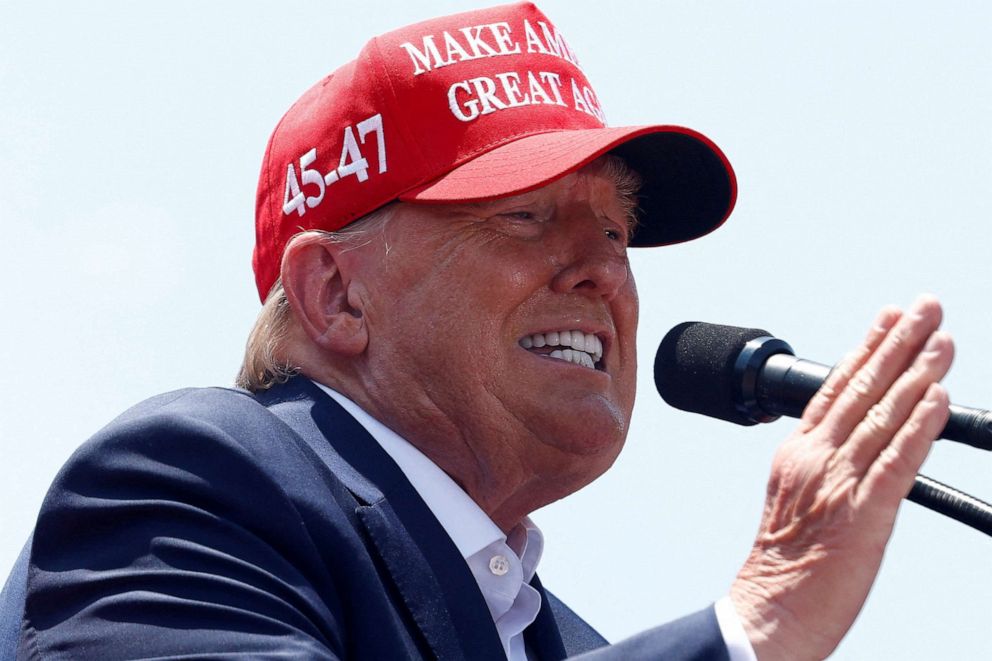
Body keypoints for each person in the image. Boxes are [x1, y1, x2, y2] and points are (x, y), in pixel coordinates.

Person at [3, 3, 954, 659]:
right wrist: (755, 622)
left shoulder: (573, 642)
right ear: (335, 293)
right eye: (523, 216)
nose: (604, 269)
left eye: (616, 229)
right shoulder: (190, 484)